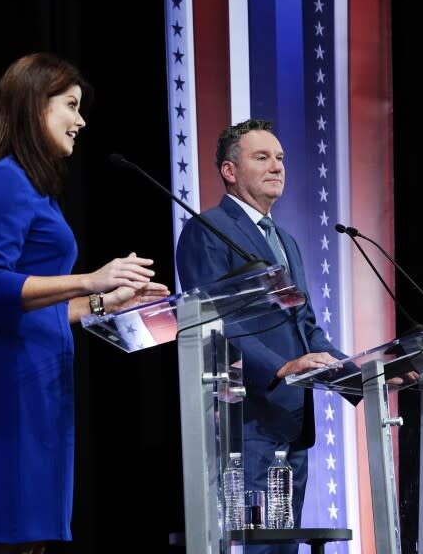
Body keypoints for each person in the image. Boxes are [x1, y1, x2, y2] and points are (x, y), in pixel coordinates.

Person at [0, 53, 170, 554]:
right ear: (35, 107)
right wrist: (88, 280)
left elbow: (36, 304)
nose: (81, 120)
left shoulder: (37, 190)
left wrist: (106, 302)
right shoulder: (3, 181)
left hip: (41, 372)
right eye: (70, 106)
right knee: (12, 531)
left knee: (34, 536)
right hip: (9, 377)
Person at [176, 119, 345, 553]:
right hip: (245, 417)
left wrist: (361, 374)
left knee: (284, 545)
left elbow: (303, 324)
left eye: (281, 158)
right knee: (256, 546)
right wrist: (281, 366)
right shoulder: (207, 228)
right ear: (230, 171)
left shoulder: (285, 239)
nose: (277, 166)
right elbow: (214, 319)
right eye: (262, 157)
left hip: (291, 419)